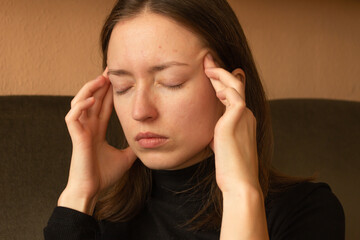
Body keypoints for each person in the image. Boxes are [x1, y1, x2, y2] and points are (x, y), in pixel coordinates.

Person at [44, 0, 345, 239]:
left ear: (230, 89)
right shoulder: (92, 222)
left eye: (171, 82)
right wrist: (80, 194)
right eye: (123, 87)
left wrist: (241, 192)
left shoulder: (306, 211)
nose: (140, 111)